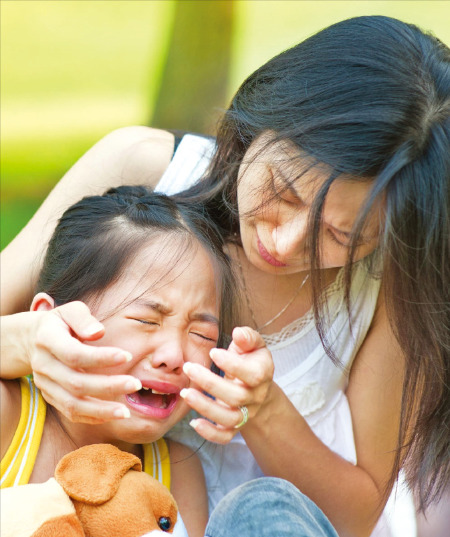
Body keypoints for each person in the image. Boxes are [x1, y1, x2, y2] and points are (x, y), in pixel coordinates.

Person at [1, 15, 448, 537]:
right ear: (260, 119)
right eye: (282, 191)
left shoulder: (387, 290)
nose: (283, 243)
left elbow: (356, 518)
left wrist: (264, 413)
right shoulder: (143, 169)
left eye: (341, 237)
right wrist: (27, 342)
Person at [0, 184, 261, 537]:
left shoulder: (177, 473)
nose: (174, 357)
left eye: (201, 334)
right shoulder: (10, 417)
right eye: (145, 321)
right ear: (53, 320)